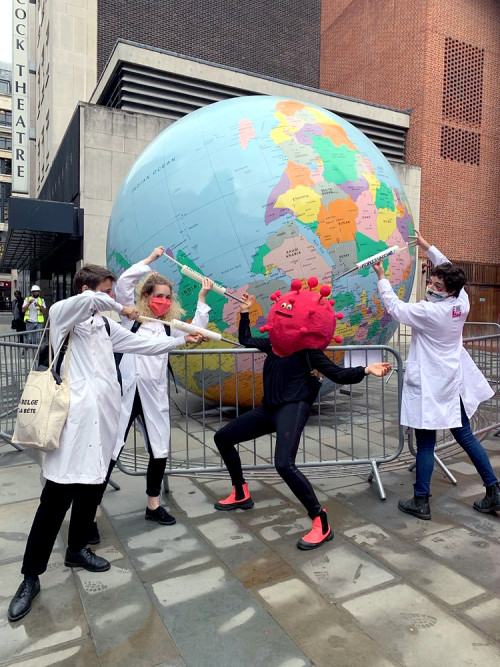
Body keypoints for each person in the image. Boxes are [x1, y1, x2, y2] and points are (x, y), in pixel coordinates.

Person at [7, 264, 205, 623]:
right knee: (54, 502)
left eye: (114, 293)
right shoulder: (65, 316)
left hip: (102, 426)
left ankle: (77, 550)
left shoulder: (104, 325)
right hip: (73, 428)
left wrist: (180, 339)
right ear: (89, 290)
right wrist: (115, 303)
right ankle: (30, 577)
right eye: (107, 291)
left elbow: (143, 343)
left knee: (89, 493)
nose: (114, 298)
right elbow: (88, 302)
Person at [213, 281, 391, 551]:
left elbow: (338, 374)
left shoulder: (309, 353)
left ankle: (320, 520)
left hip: (293, 407)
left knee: (284, 464)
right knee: (223, 437)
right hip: (269, 408)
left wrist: (366, 370)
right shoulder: (273, 344)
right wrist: (246, 312)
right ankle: (240, 492)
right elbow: (245, 339)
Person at [373, 229, 499, 520]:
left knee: (427, 442)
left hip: (430, 383)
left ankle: (421, 500)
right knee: (466, 436)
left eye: (436, 285)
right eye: (430, 281)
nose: (431, 287)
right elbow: (448, 267)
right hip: (451, 381)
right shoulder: (461, 303)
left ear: (450, 290)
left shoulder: (430, 312)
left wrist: (381, 276)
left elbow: (395, 308)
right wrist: (427, 247)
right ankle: (494, 490)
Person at [89, 246, 213, 542]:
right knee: (109, 451)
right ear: (145, 297)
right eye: (158, 295)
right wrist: (148, 261)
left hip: (154, 396)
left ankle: (153, 505)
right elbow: (123, 285)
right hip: (125, 395)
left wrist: (202, 299)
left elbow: (197, 330)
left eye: (168, 297)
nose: (164, 301)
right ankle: (89, 514)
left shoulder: (169, 327)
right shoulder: (131, 319)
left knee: (160, 450)